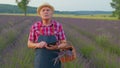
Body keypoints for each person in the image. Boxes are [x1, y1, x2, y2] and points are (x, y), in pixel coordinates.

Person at [27, 2, 67, 68]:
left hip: (55, 60)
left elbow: (64, 43)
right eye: (43, 10)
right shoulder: (35, 26)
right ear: (40, 14)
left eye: (48, 10)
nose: (46, 12)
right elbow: (29, 44)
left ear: (52, 13)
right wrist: (37, 45)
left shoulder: (58, 26)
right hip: (40, 61)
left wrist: (56, 47)